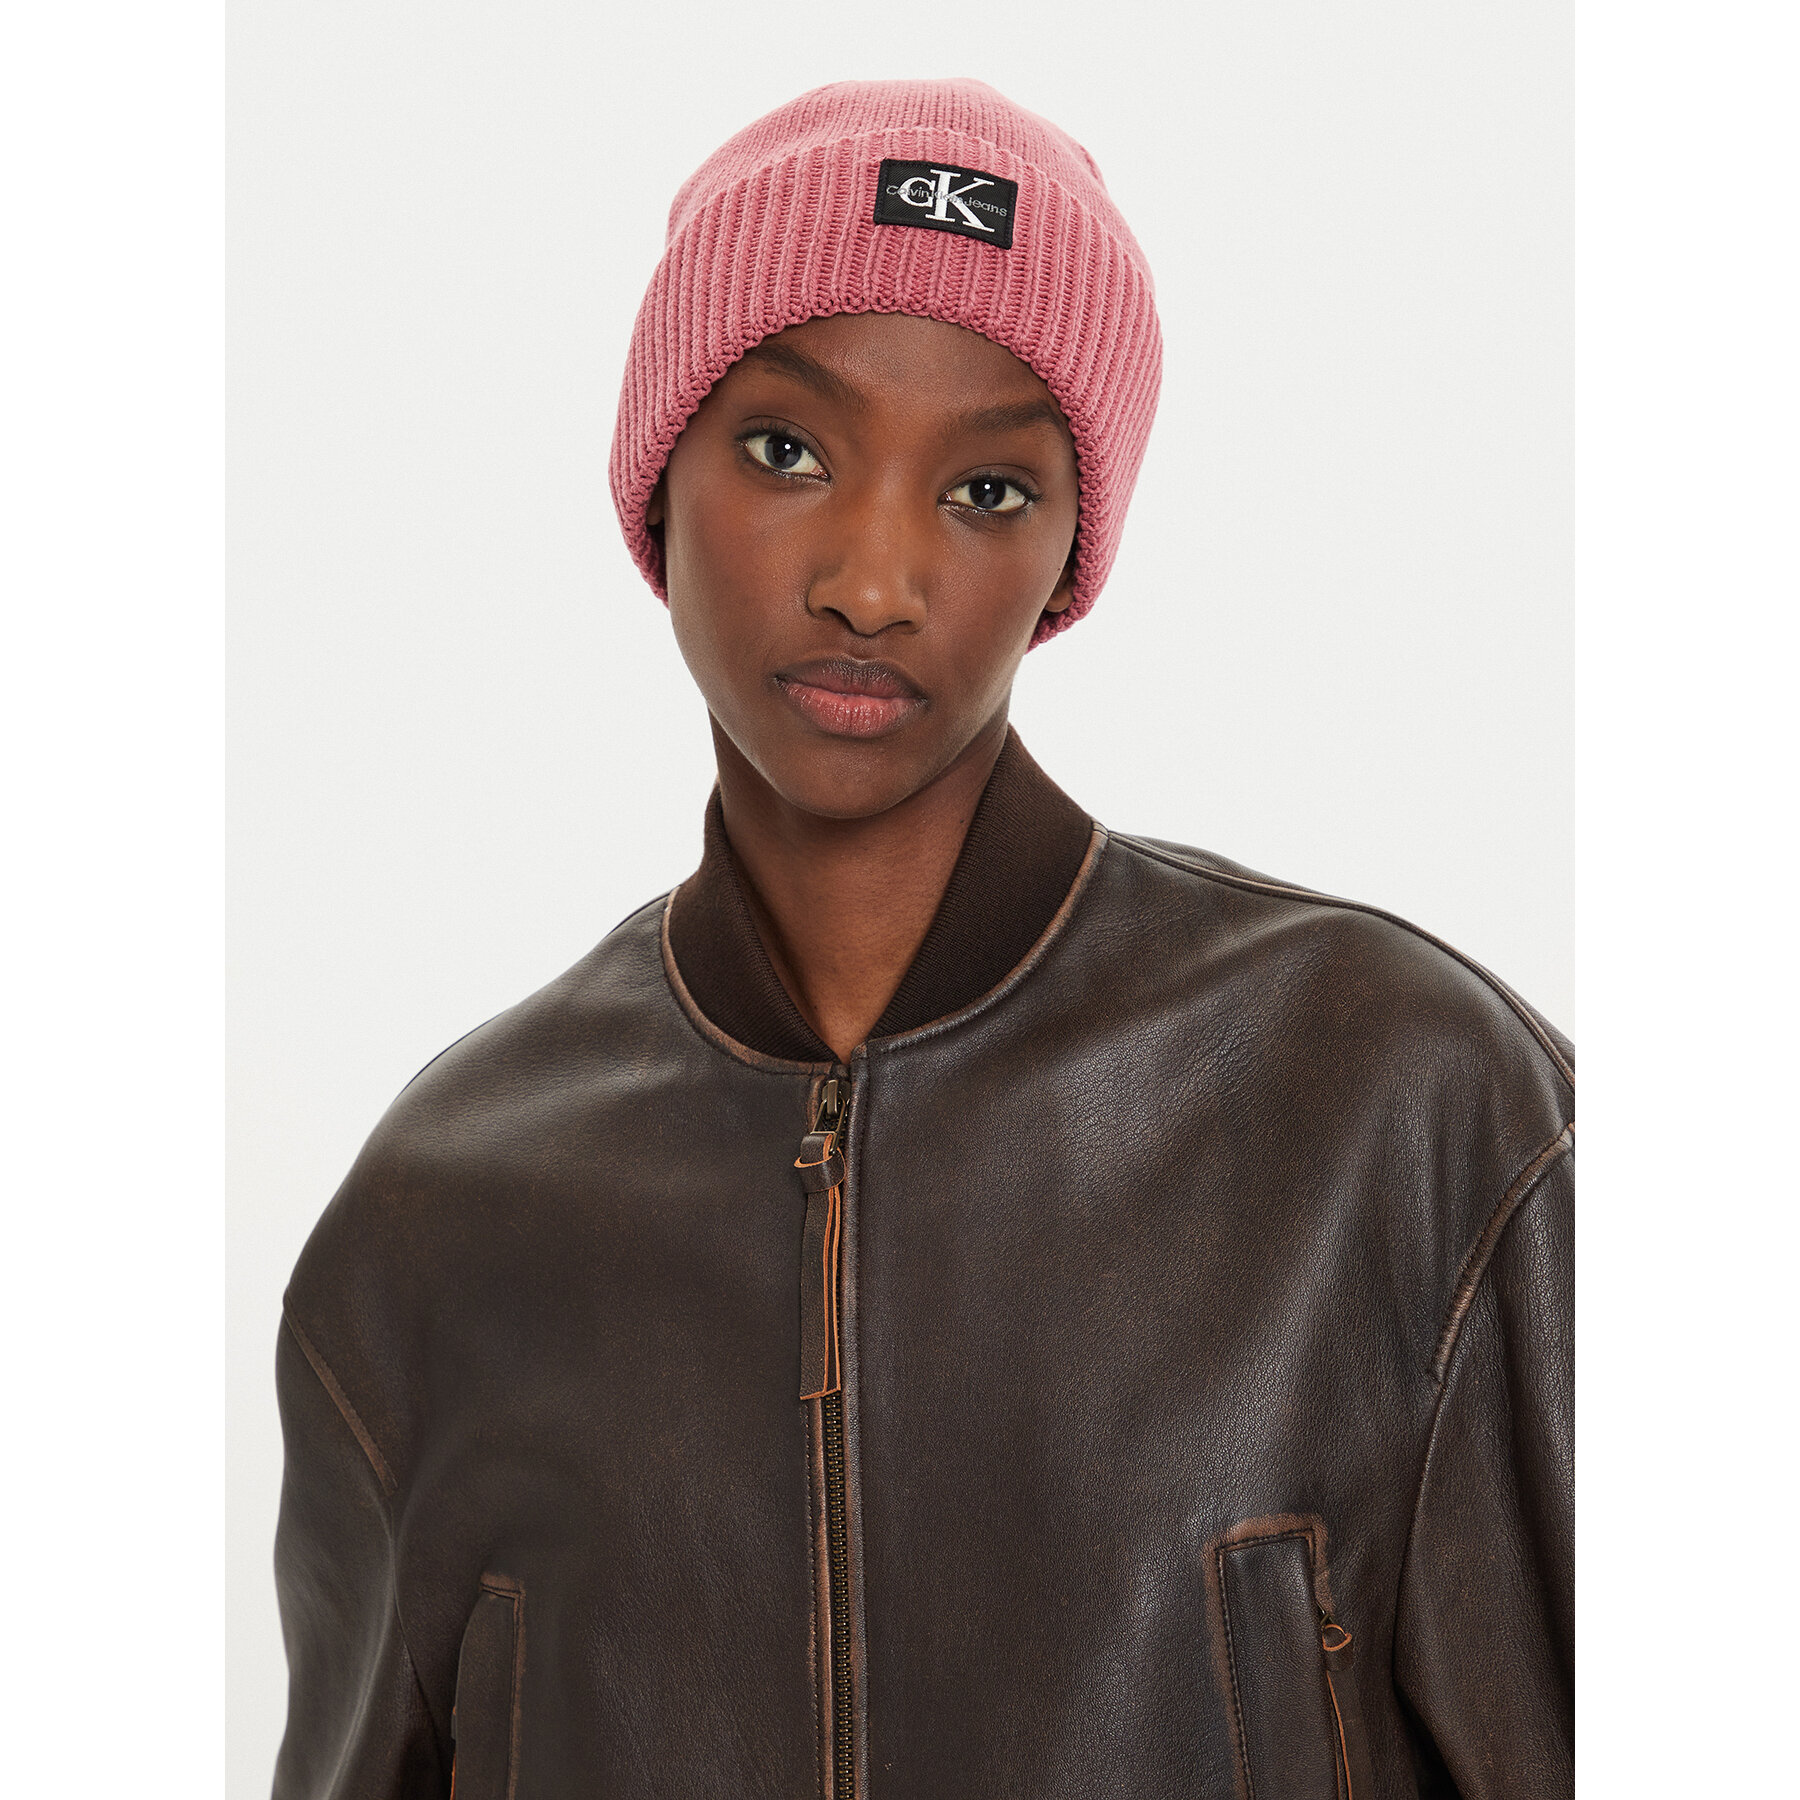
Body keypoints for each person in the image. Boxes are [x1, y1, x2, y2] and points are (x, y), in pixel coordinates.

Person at [272, 79, 1572, 1800]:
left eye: (987, 488)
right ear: (657, 478)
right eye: (788, 450)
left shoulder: (1406, 1110)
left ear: (1069, 556)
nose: (874, 580)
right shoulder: (437, 1226)